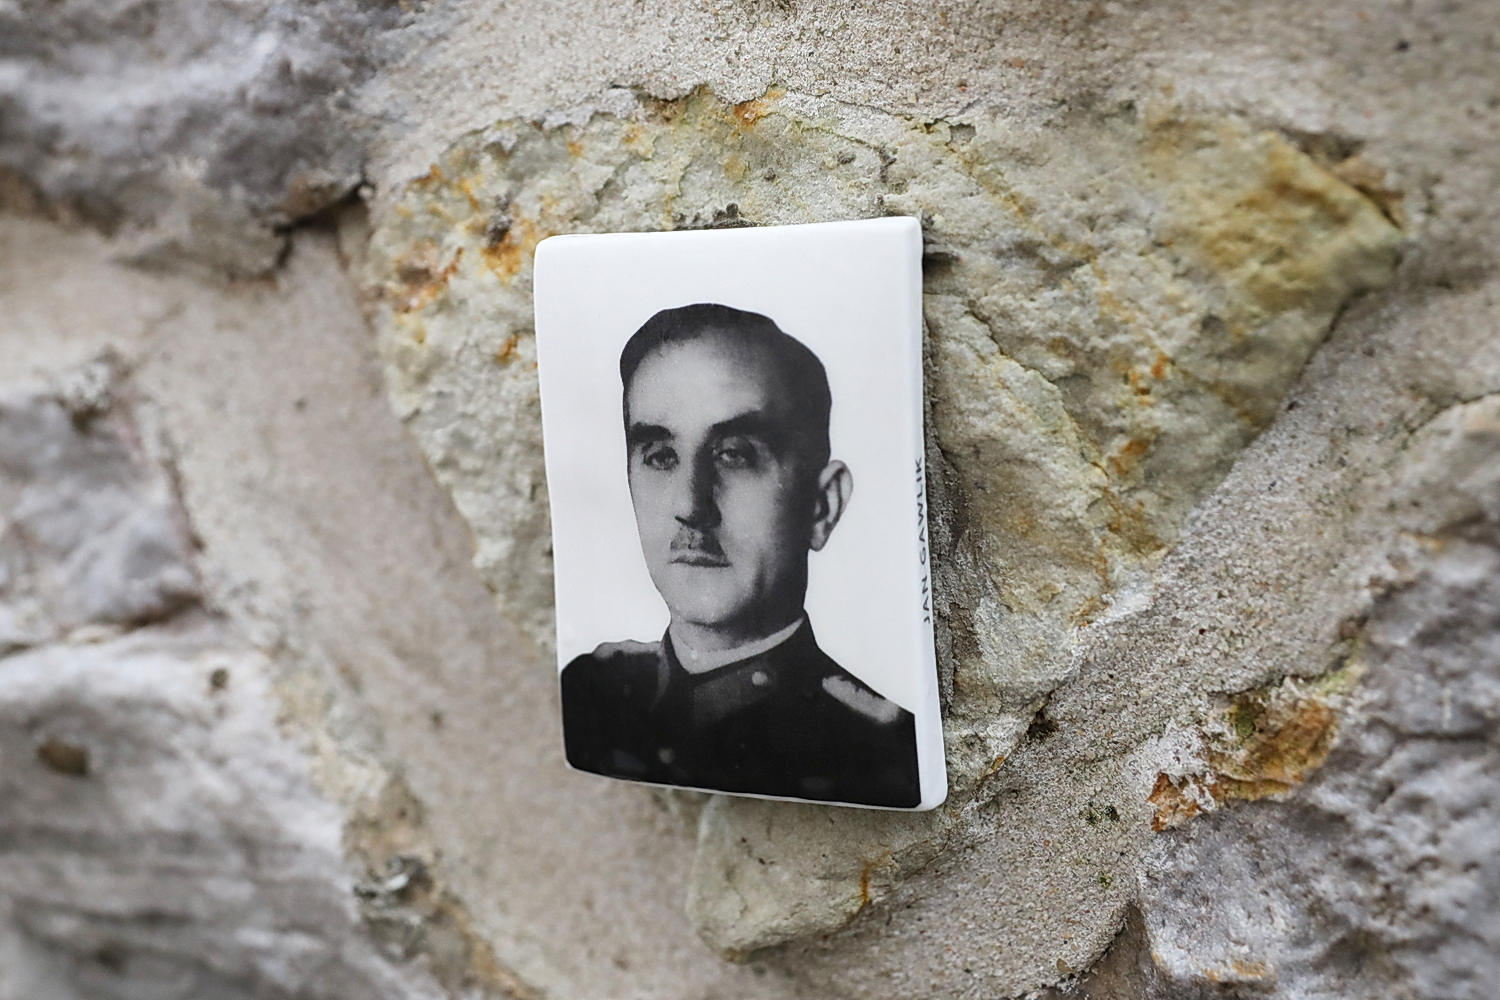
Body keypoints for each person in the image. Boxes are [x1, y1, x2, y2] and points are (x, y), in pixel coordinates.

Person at [560, 303, 921, 808]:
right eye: (660, 456)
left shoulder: (882, 754)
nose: (690, 506)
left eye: (735, 454)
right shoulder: (589, 694)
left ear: (821, 506)